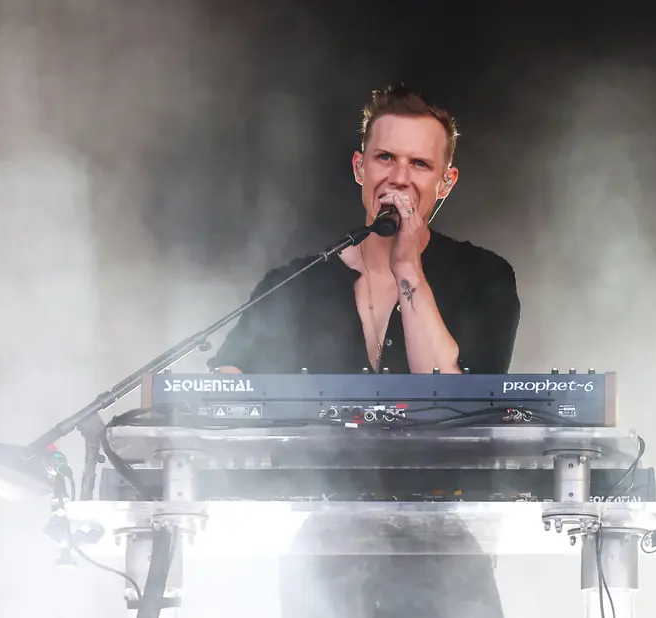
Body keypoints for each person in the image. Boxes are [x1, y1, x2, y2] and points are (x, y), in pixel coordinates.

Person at [207, 85, 521, 617]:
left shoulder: (485, 278)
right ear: (360, 167)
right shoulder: (296, 284)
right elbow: (225, 390)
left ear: (446, 182)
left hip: (443, 554)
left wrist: (406, 267)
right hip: (322, 554)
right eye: (385, 158)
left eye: (420, 163)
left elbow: (451, 397)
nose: (399, 177)